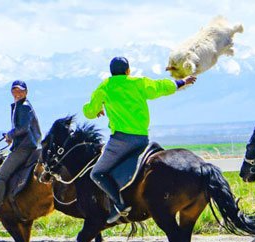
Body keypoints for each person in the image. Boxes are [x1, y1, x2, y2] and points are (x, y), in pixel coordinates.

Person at [84, 56, 196, 224]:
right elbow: (160, 87)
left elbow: (89, 112)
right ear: (128, 71)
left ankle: (119, 204)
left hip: (120, 142)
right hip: (143, 140)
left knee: (97, 173)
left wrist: (98, 107)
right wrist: (182, 82)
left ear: (111, 72)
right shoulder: (138, 82)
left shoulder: (105, 87)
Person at [0, 80, 42, 217]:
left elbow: (23, 128)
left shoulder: (24, 106)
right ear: (11, 92)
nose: (17, 93)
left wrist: (10, 134)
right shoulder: (21, 105)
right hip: (28, 144)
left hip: (24, 148)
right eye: (15, 91)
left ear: (26, 92)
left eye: (20, 91)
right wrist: (12, 137)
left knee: (0, 176)